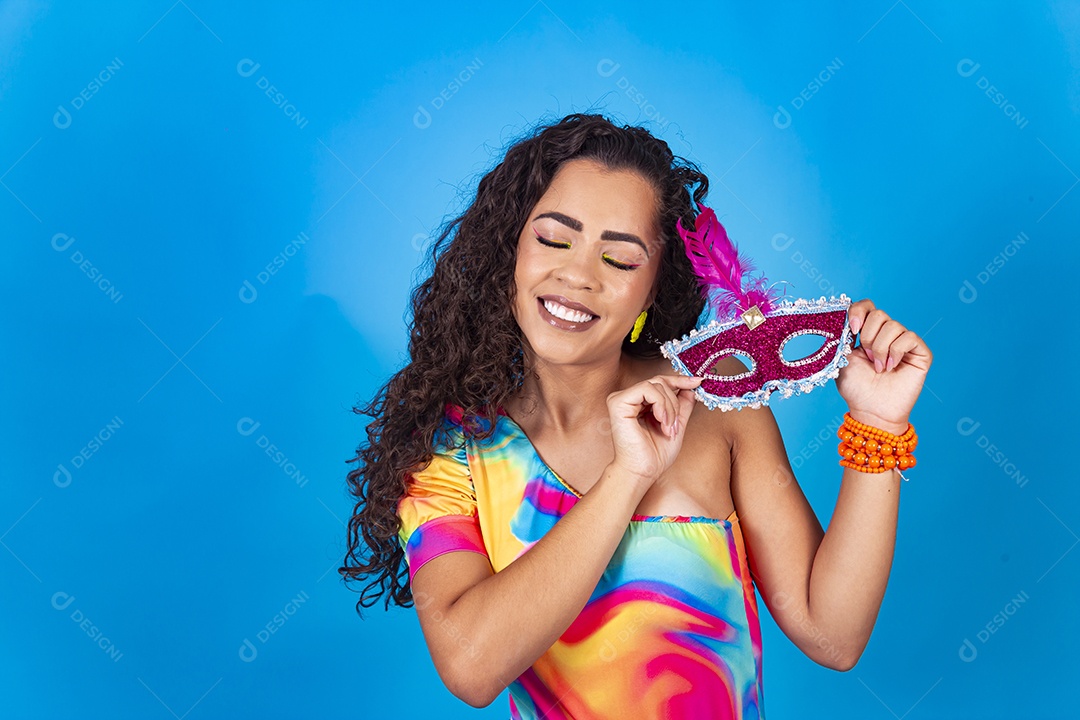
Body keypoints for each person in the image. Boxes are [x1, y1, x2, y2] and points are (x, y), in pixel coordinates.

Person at [339, 112, 933, 718]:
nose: (578, 275)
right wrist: (627, 475)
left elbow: (832, 636)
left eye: (620, 260)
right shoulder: (449, 451)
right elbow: (471, 668)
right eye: (553, 239)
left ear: (653, 288)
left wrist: (878, 424)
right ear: (509, 250)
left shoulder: (717, 405)